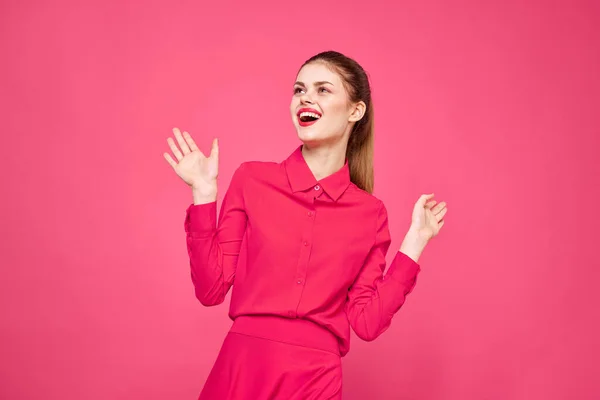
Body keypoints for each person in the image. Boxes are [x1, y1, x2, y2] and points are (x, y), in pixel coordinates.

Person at [163, 50, 448, 400]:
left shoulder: (370, 213)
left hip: (316, 379)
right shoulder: (252, 179)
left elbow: (367, 322)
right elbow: (211, 290)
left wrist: (414, 245)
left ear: (355, 111)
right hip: (244, 367)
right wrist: (204, 196)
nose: (306, 98)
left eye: (323, 90)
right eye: (299, 90)